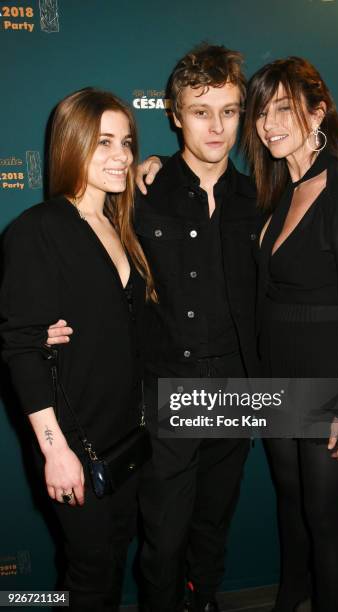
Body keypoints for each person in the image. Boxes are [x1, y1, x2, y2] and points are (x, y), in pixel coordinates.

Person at [46, 45, 260, 612]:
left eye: (230, 111)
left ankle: (204, 599)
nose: (216, 126)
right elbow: (87, 265)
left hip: (240, 389)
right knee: (162, 540)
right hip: (168, 390)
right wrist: (47, 326)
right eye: (200, 110)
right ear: (174, 114)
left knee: (213, 526)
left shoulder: (258, 197)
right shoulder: (139, 193)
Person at [0, 88, 154, 612]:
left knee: (110, 562)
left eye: (127, 142)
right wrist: (54, 450)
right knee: (90, 577)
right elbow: (21, 347)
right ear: (71, 146)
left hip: (127, 441)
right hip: (75, 444)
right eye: (103, 142)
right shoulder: (38, 230)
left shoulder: (120, 225)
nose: (121, 156)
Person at [242, 57, 338, 611]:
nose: (268, 123)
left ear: (318, 111)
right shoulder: (282, 187)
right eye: (261, 111)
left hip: (330, 386)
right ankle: (289, 599)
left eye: (283, 108)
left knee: (325, 518)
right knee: (291, 503)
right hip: (278, 382)